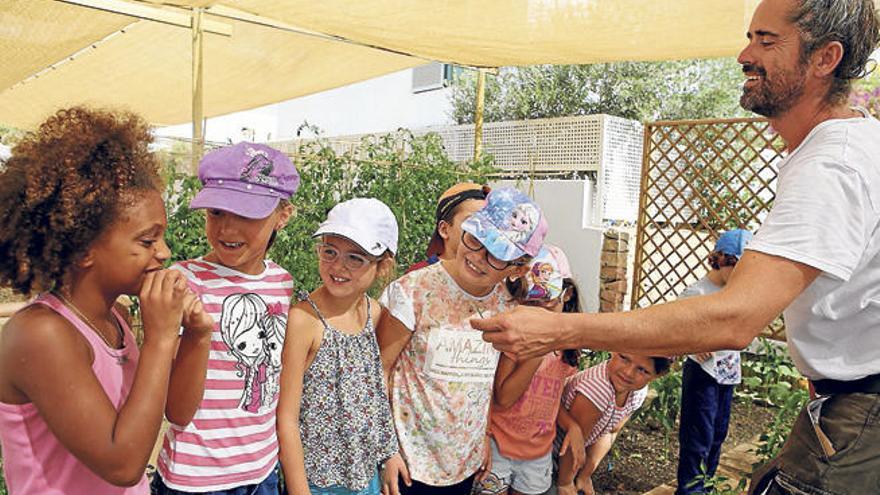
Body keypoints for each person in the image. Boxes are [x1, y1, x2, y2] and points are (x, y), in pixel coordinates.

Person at [471, 0, 880, 492]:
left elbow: (733, 318)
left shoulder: (832, 164)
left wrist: (559, 330)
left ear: (824, 58)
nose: (744, 55)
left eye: (766, 41)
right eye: (751, 37)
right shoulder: (846, 148)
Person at [0, 107, 212, 493]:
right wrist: (161, 339)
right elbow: (122, 464)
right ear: (83, 249)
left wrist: (197, 338)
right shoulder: (42, 334)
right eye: (147, 241)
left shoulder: (114, 316)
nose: (164, 252)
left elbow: (177, 413)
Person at [377, 187, 547, 495]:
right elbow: (380, 372)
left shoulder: (507, 308)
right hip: (407, 463)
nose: (478, 258)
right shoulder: (412, 291)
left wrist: (483, 434)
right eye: (476, 240)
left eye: (496, 255)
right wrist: (386, 449)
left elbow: (484, 384)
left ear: (517, 269)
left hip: (463, 463)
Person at [153, 142, 299, 494]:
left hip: (262, 470)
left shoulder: (282, 282)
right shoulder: (183, 282)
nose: (227, 229)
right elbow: (173, 406)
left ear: (284, 215)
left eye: (247, 215)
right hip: (196, 478)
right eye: (216, 212)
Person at [277, 198, 403, 495]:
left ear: (383, 266)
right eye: (329, 251)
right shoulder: (304, 321)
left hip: (364, 474)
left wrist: (389, 452)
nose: (337, 266)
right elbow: (287, 417)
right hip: (318, 483)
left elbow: (373, 393)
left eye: (355, 258)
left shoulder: (374, 313)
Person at [473, 245, 582, 495]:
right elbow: (503, 399)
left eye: (548, 299)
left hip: (537, 454)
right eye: (532, 301)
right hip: (498, 446)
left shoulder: (569, 350)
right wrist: (539, 350)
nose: (540, 309)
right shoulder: (516, 342)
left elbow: (551, 400)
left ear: (567, 294)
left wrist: (573, 426)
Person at [676, 229, 752, 495]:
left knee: (718, 435)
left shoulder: (735, 292)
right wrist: (693, 345)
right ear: (721, 260)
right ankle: (690, 491)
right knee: (698, 438)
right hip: (702, 374)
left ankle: (705, 487)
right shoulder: (696, 293)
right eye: (738, 269)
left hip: (727, 374)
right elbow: (677, 332)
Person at [556, 354, 672, 495]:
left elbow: (611, 431)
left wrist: (585, 475)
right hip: (552, 443)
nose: (628, 373)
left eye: (642, 370)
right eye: (624, 358)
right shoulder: (597, 388)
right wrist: (565, 483)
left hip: (576, 450)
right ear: (613, 349)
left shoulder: (637, 392)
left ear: (657, 375)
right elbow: (571, 444)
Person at [406, 182, 489, 273]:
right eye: (473, 222)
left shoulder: (493, 277)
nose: (481, 230)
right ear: (444, 230)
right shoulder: (416, 278)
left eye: (487, 223)